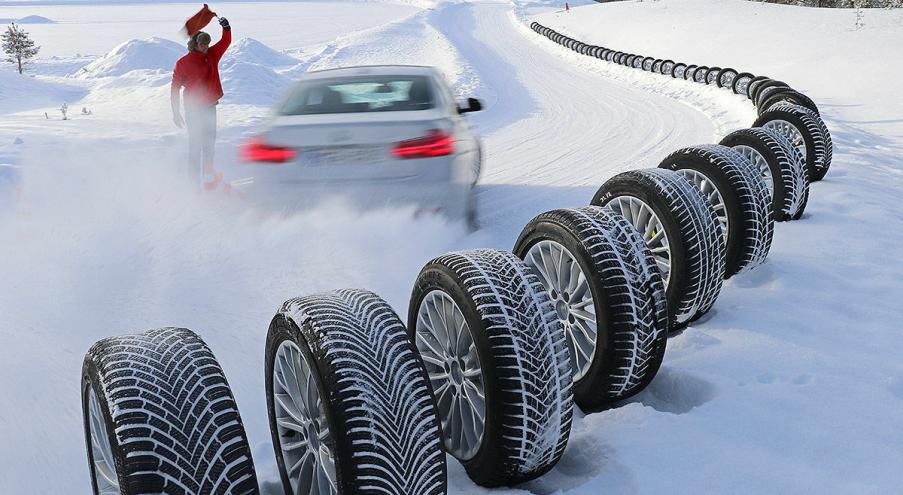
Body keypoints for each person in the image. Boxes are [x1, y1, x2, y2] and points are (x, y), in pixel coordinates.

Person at [171, 16, 231, 190]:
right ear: (194, 44)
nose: (205, 47)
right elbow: (174, 88)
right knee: (196, 146)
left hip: (210, 108)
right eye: (202, 44)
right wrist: (176, 112)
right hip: (194, 110)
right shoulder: (183, 63)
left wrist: (226, 28)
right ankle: (193, 183)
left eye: (207, 44)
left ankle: (208, 178)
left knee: (209, 145)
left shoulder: (212, 55)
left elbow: (225, 42)